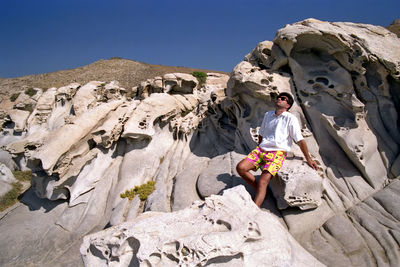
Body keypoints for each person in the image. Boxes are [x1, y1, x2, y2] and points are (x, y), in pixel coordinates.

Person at [236, 92, 318, 207]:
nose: (279, 98)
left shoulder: (290, 118)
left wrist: (308, 159)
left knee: (263, 181)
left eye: (283, 98)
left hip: (277, 153)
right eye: (279, 97)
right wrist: (260, 148)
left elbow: (300, 140)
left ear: (287, 105)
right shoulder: (268, 115)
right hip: (261, 150)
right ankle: (261, 189)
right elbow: (261, 134)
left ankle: (254, 208)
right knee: (241, 168)